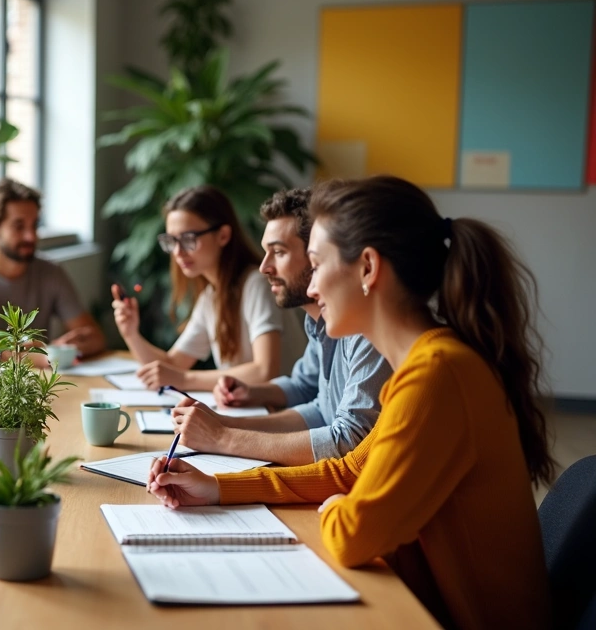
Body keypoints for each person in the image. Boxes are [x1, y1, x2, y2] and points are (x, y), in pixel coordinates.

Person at [148, 176, 552, 630]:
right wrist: (218, 489)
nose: (313, 288)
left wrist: (339, 505)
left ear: (367, 268)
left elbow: (354, 534)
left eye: (316, 265)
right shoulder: (425, 365)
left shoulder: (437, 374)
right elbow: (348, 473)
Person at [169, 188, 392, 465]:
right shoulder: (320, 322)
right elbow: (317, 405)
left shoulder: (367, 327)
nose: (264, 267)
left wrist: (223, 437)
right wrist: (222, 423)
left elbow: (350, 440)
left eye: (278, 252)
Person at [113, 185, 283, 391]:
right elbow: (172, 366)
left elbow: (265, 371)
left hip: (281, 412)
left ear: (223, 235)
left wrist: (184, 380)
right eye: (171, 241)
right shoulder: (211, 297)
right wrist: (131, 333)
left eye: (187, 239)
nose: (178, 252)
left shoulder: (256, 284)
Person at [0, 178, 105, 364]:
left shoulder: (51, 272)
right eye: (19, 226)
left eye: (34, 225)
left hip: (38, 384)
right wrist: (19, 354)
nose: (30, 236)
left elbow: (95, 337)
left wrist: (71, 347)